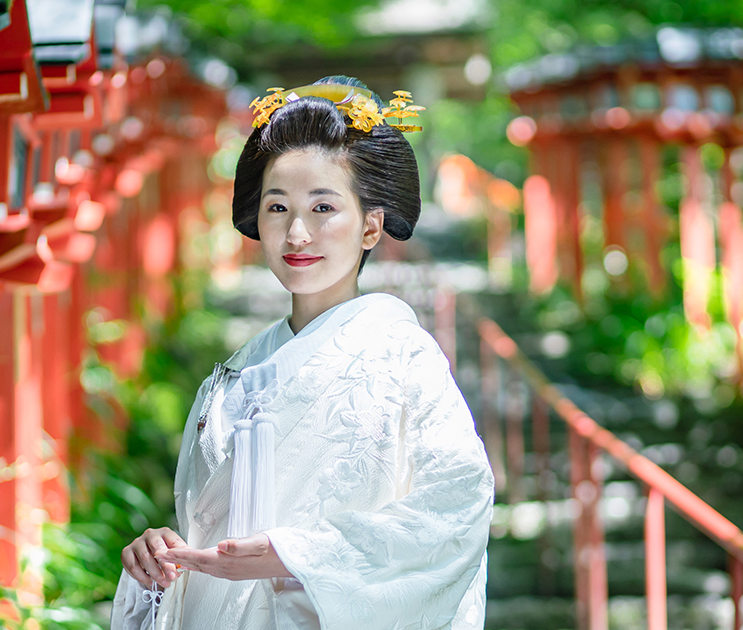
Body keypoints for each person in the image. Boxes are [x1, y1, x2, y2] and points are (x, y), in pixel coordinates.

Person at [112, 76, 494, 630]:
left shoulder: (403, 356)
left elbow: (457, 505)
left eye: (322, 207)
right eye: (277, 207)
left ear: (370, 226)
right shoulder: (232, 375)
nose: (296, 233)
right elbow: (205, 535)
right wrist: (159, 559)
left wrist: (301, 557)